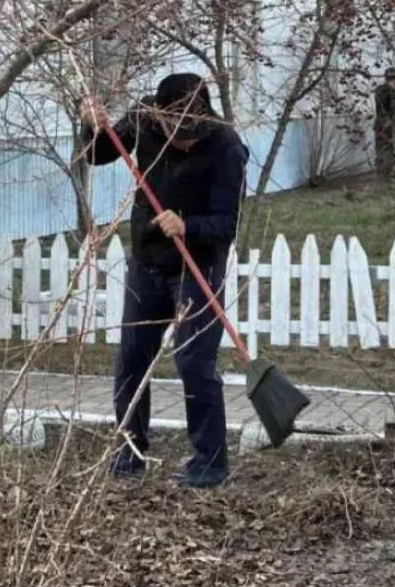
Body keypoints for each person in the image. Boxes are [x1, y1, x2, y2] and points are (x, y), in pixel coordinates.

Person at [79, 73, 248, 489]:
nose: (185, 141)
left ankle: (210, 463)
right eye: (178, 132)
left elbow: (227, 224)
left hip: (198, 264)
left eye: (193, 133)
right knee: (133, 356)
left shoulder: (227, 146)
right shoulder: (145, 116)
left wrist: (187, 225)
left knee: (193, 360)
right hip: (148, 258)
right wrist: (93, 126)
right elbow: (99, 155)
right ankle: (129, 451)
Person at [374, 67, 395, 175]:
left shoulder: (383, 89)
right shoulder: (387, 90)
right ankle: (389, 170)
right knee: (388, 147)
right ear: (394, 79)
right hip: (387, 123)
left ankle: (389, 169)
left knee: (387, 148)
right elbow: (391, 107)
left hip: (385, 123)